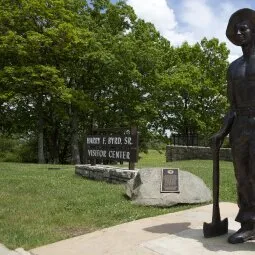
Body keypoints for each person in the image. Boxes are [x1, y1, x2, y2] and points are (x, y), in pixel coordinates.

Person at [213, 8, 255, 244]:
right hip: (239, 126)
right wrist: (222, 131)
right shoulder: (233, 68)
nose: (239, 33)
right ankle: (248, 223)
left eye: (244, 28)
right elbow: (232, 106)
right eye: (236, 30)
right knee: (243, 177)